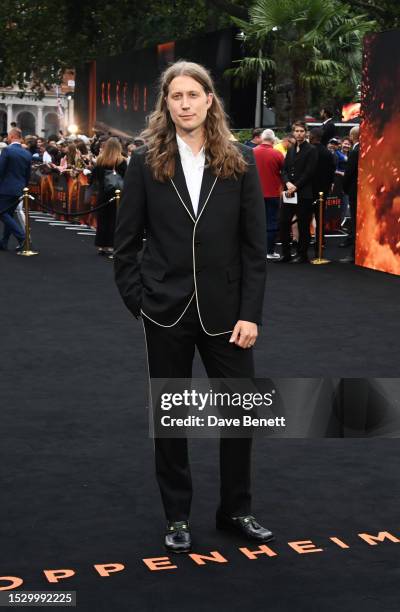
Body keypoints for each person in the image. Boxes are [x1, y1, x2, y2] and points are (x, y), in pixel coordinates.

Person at [114, 60, 272, 553]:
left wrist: (251, 313)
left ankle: (236, 510)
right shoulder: (145, 161)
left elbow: (253, 250)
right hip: (165, 311)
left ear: (209, 100)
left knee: (241, 415)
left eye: (192, 95)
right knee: (173, 419)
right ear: (167, 104)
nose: (184, 104)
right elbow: (126, 245)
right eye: (175, 96)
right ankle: (177, 516)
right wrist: (142, 303)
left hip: (229, 314)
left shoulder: (240, 160)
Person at [279, 121, 318, 263]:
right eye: (297, 131)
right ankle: (286, 254)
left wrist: (295, 186)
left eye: (302, 131)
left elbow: (309, 172)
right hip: (288, 192)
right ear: (293, 133)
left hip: (303, 193)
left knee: (303, 224)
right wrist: (288, 183)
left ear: (306, 132)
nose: (299, 133)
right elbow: (284, 170)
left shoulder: (311, 150)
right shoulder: (290, 149)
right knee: (283, 222)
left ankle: (302, 254)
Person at [92, 137, 127, 257]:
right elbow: (126, 178)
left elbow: (93, 177)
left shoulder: (100, 160)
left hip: (103, 194)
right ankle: (113, 246)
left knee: (102, 220)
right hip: (117, 195)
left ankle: (101, 246)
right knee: (115, 220)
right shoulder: (121, 161)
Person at [253, 128, 284, 259]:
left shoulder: (252, 152)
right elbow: (285, 173)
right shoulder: (278, 154)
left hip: (255, 194)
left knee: (255, 223)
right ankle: (269, 251)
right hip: (273, 193)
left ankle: (255, 251)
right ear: (273, 139)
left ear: (261, 138)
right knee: (271, 223)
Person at [0, 128, 32, 251]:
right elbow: (27, 175)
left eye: (8, 136)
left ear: (12, 136)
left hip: (6, 188)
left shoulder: (7, 151)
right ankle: (4, 242)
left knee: (2, 213)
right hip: (20, 189)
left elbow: (1, 170)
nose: (7, 138)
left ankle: (22, 237)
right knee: (9, 214)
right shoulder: (27, 153)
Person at [309, 128, 336, 256]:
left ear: (312, 136)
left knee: (305, 217)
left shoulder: (308, 151)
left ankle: (305, 242)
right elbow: (332, 172)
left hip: (308, 189)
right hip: (322, 190)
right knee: (320, 217)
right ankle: (321, 242)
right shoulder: (328, 153)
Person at [341, 126, 360, 263]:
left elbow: (348, 174)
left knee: (355, 223)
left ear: (352, 136)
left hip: (354, 191)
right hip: (363, 190)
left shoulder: (355, 152)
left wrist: (345, 189)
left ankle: (353, 253)